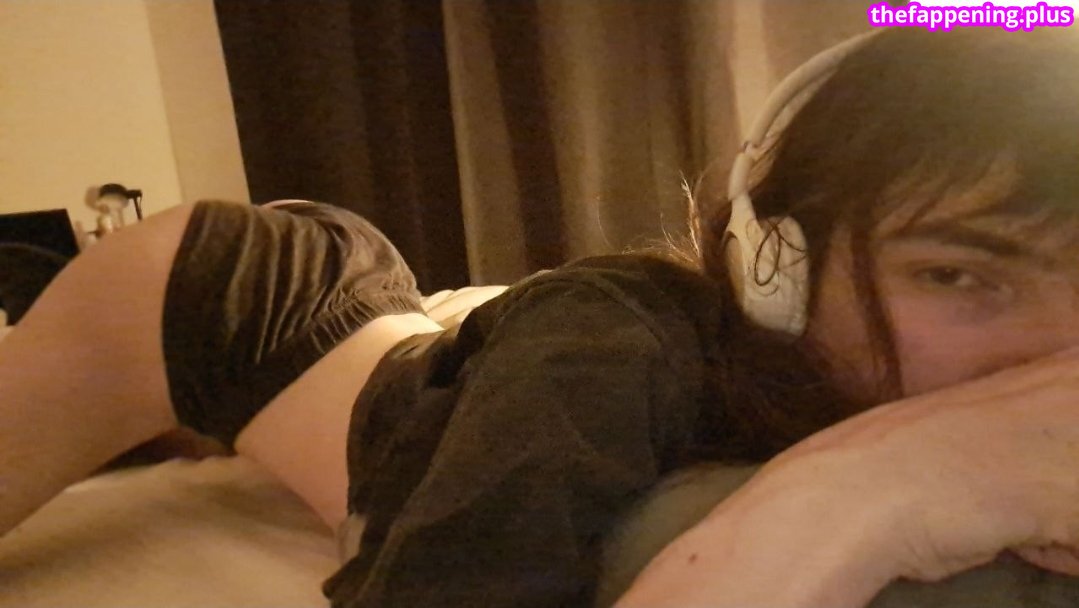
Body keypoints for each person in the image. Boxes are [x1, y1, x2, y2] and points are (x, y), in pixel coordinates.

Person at [2, 26, 1079, 608]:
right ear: (774, 266)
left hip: (411, 329)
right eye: (961, 276)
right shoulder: (605, 350)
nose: (1055, 348)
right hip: (221, 296)